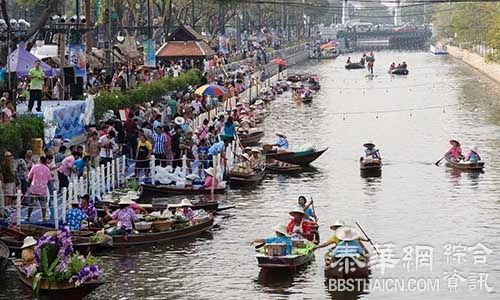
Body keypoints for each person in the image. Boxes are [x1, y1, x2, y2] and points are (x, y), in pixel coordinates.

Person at [27, 156, 51, 221]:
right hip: (43, 189)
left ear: (39, 160)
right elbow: (49, 180)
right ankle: (43, 218)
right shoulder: (47, 169)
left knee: (31, 203)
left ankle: (28, 217)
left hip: (34, 188)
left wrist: (28, 185)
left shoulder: (34, 167)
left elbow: (29, 177)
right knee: (43, 204)